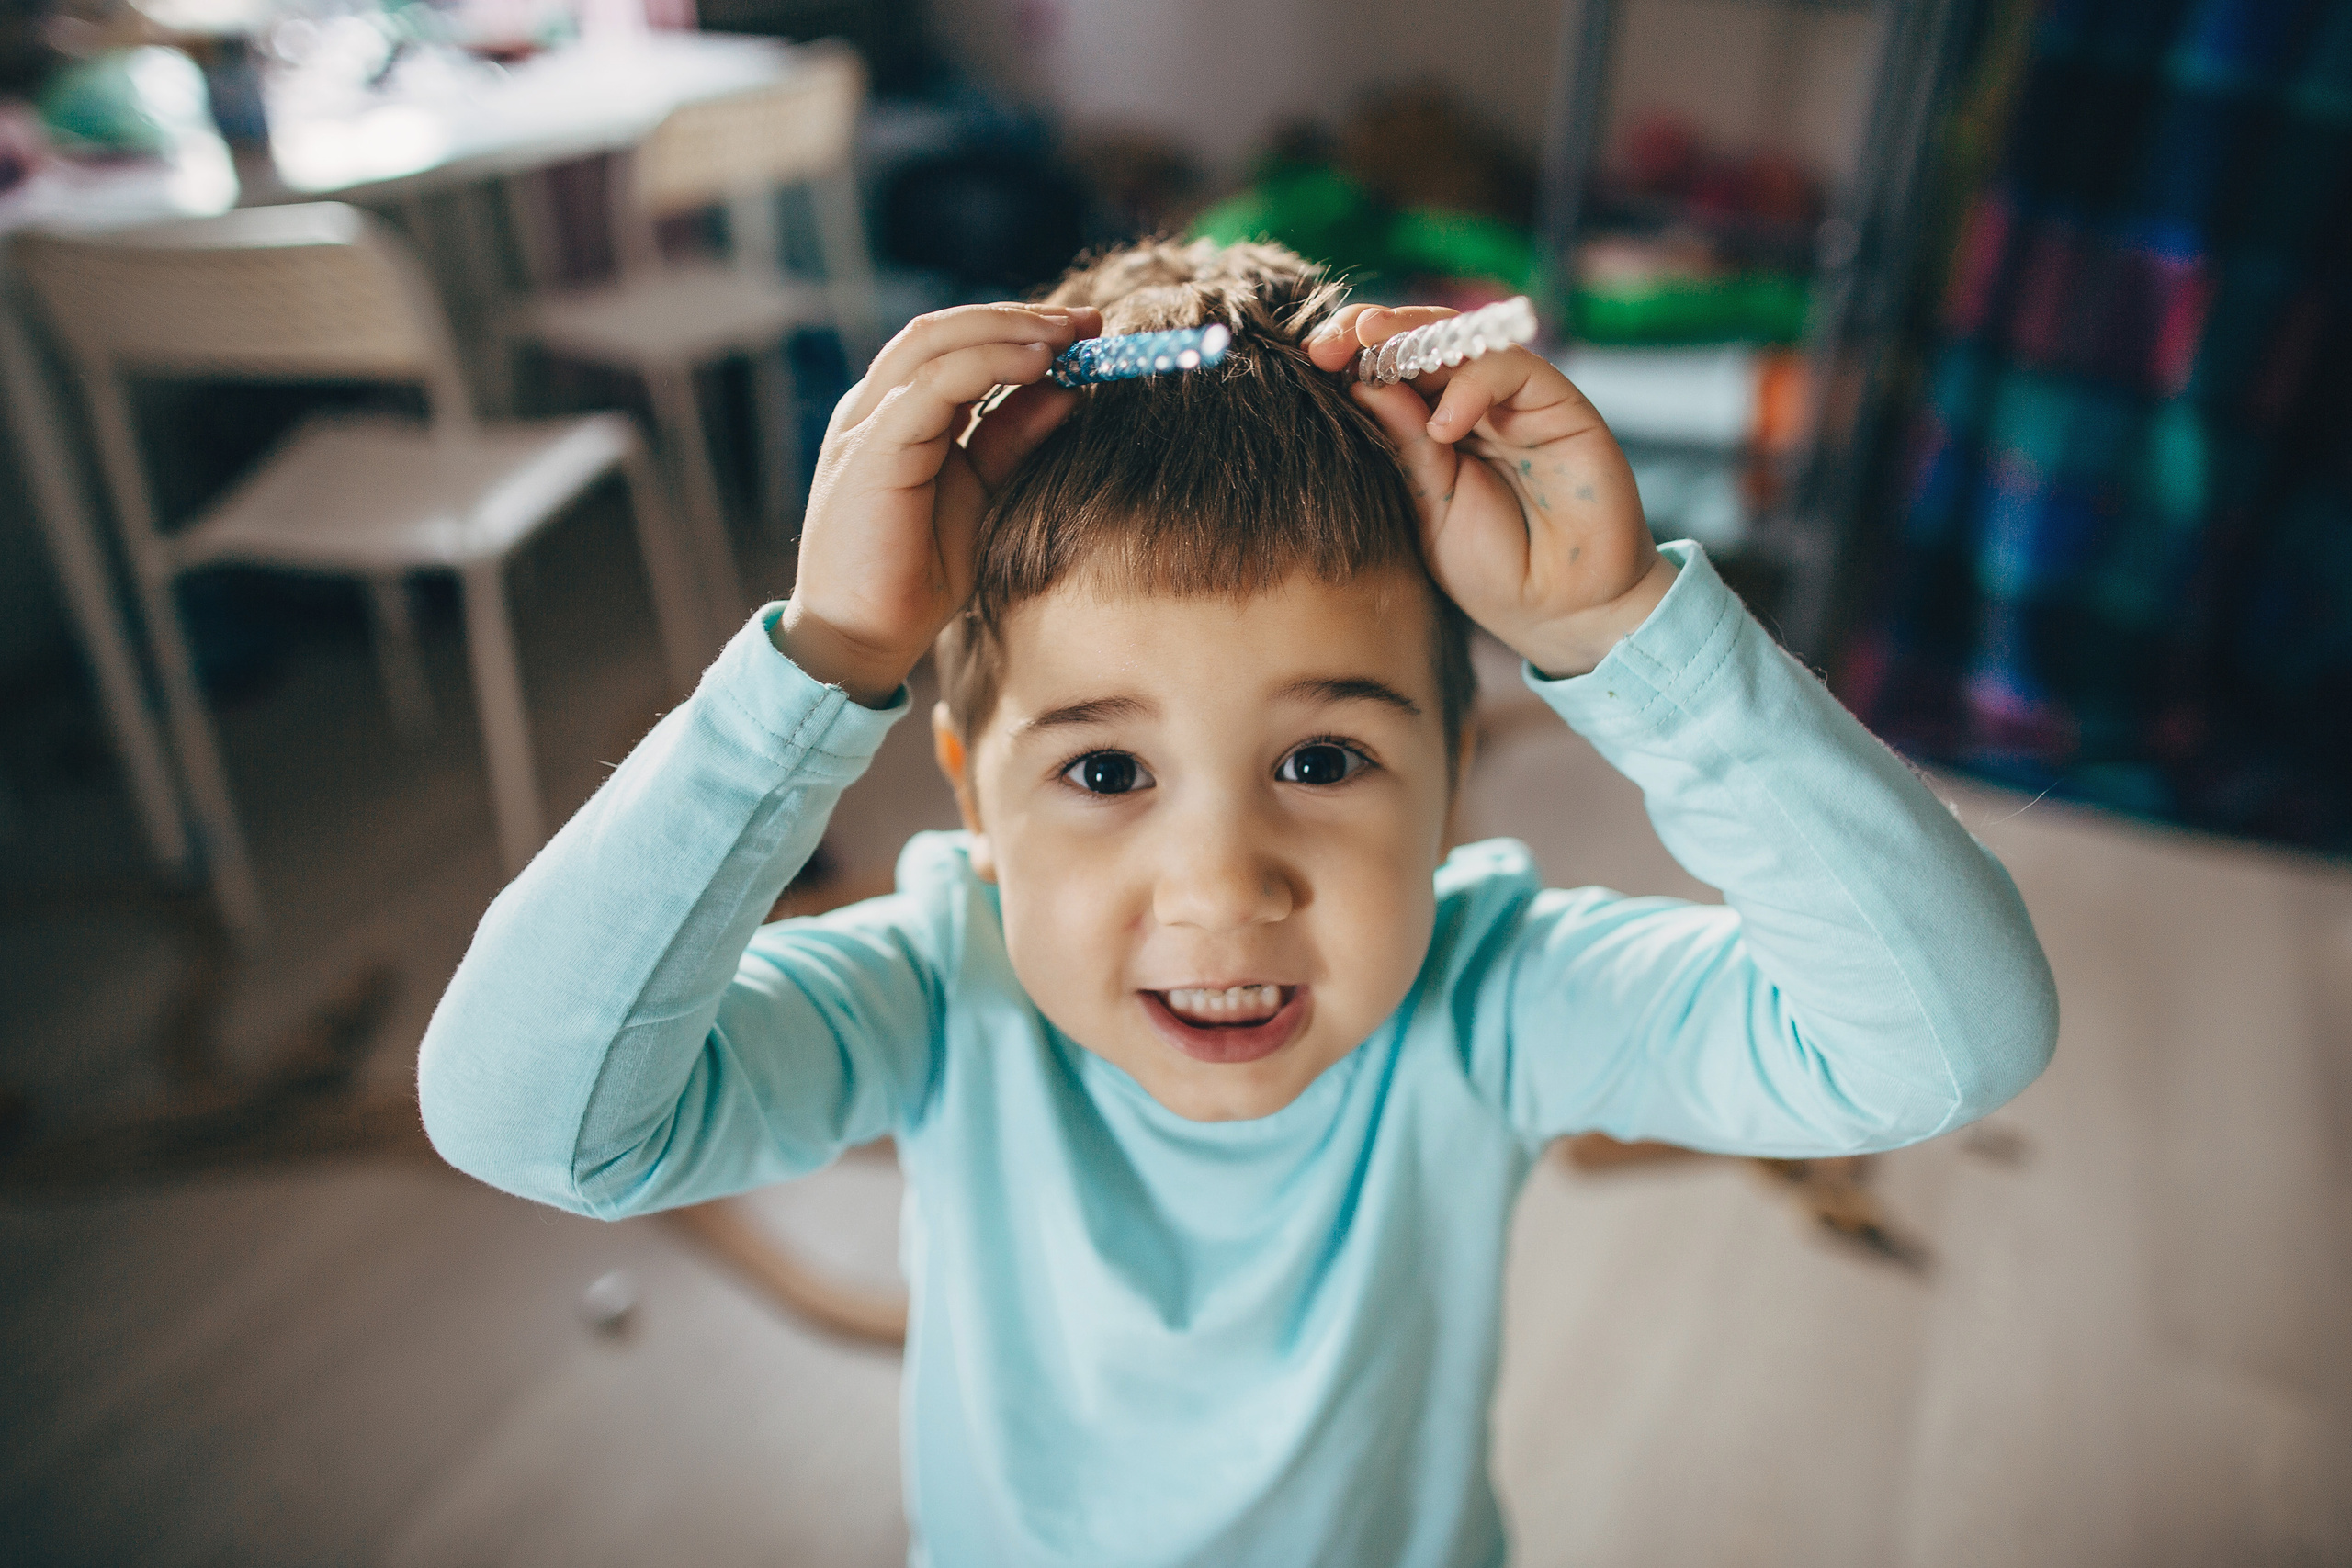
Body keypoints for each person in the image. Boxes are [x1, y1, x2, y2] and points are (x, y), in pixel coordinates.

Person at [417, 240, 2057, 1565]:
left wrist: (1628, 633)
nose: (1221, 888)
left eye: (1326, 758)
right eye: (1108, 773)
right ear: (974, 794)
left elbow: (1942, 1046)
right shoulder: (935, 990)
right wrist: (819, 665)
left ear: (1452, 785)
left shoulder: (1491, 993)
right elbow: (530, 1119)